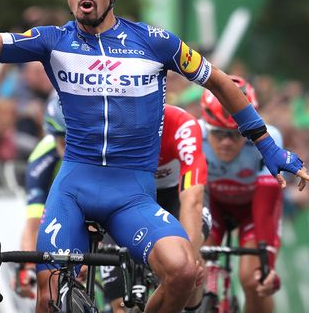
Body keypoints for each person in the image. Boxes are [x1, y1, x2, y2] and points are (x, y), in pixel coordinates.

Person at [0, 0, 309, 313]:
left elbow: (220, 82)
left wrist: (266, 144)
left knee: (183, 272)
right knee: (50, 290)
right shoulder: (52, 41)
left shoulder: (154, 42)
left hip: (131, 193)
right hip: (74, 188)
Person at [16, 96, 211, 311]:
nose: (67, 144)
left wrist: (191, 255)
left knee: (188, 265)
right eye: (62, 140)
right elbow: (34, 221)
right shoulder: (103, 123)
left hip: (174, 195)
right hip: (124, 197)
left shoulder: (182, 125)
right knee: (119, 304)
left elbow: (192, 198)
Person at [199, 75, 283, 313]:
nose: (226, 143)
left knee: (253, 279)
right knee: (192, 268)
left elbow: (266, 207)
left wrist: (267, 264)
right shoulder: (194, 134)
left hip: (252, 211)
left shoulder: (269, 138)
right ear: (206, 126)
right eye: (217, 134)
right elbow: (188, 195)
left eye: (236, 135)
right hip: (212, 205)